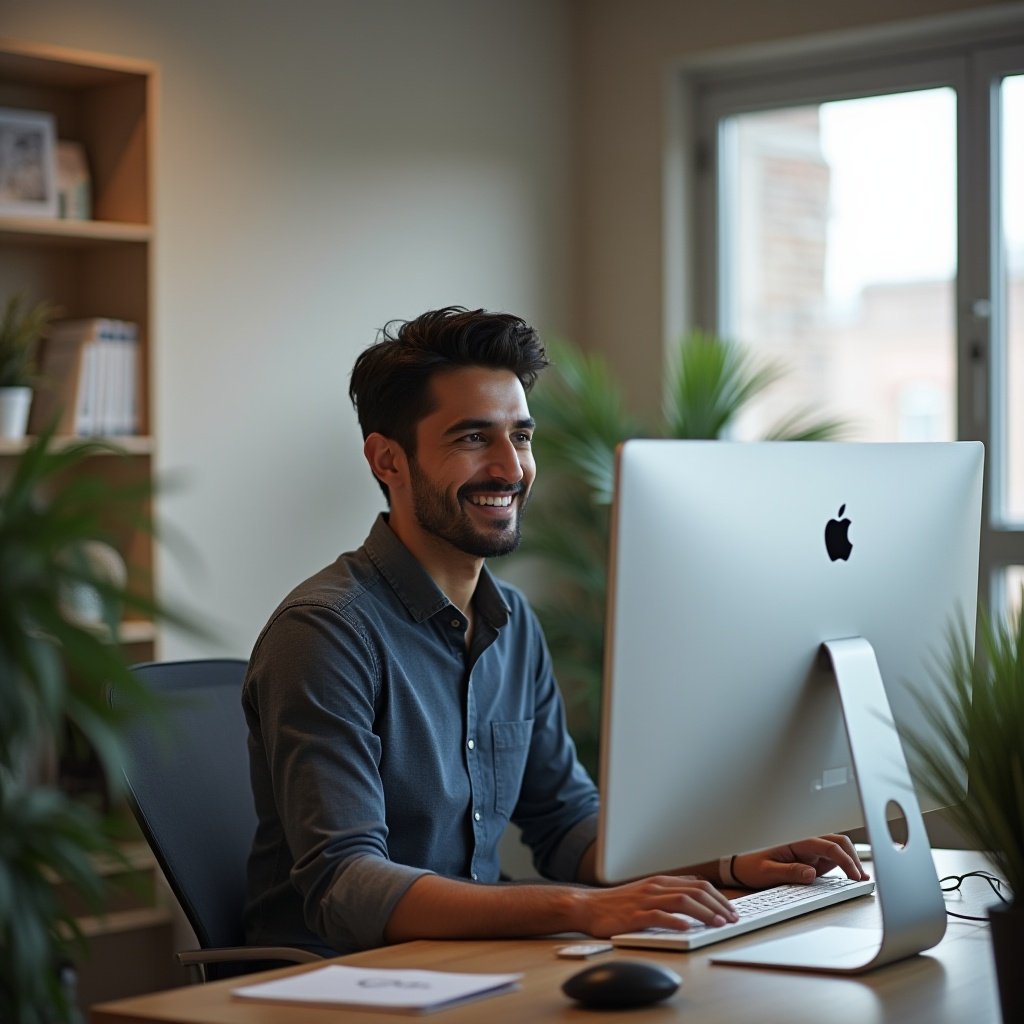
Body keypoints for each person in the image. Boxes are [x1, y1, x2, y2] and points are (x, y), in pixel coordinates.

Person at [242, 305, 867, 956]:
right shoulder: (325, 633)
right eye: (472, 438)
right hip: (337, 986)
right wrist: (583, 908)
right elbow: (348, 887)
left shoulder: (510, 622)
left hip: (473, 964)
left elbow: (568, 825)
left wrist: (731, 863)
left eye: (521, 436)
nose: (511, 469)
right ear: (387, 461)